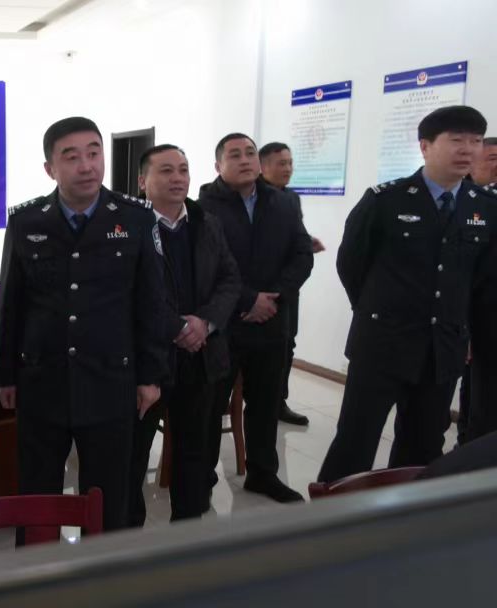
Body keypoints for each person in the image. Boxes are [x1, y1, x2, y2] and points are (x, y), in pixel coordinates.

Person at [0, 116, 169, 532]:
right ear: (50, 168)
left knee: (108, 495)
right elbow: (11, 304)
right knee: (37, 494)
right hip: (42, 379)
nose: (87, 165)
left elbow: (151, 302)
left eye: (94, 153)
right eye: (71, 157)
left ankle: (104, 568)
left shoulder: (136, 219)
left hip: (110, 379)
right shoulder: (26, 221)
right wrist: (6, 374)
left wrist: (150, 375)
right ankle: (39, 567)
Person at [319, 106, 497, 483]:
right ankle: (330, 513)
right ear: (425, 146)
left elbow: (482, 283)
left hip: (442, 348)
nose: (468, 149)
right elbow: (351, 264)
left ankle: (405, 514)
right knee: (355, 440)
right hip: (382, 343)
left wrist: (468, 333)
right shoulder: (386, 200)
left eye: (476, 141)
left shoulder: (485, 207)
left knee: (423, 444)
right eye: (456, 140)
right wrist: (375, 311)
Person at [197, 133, 314, 504]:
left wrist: (274, 296)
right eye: (235, 155)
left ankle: (263, 474)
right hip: (224, 324)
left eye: (250, 152)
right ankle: (201, 478)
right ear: (218, 165)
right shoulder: (203, 206)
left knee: (265, 404)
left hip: (272, 321)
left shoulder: (283, 202)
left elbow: (302, 254)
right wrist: (249, 299)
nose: (245, 159)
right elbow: (206, 266)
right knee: (211, 406)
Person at [129, 145, 240, 525]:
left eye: (183, 170)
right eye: (166, 171)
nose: (177, 178)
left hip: (201, 355)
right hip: (147, 361)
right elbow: (126, 294)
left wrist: (205, 322)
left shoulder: (207, 223)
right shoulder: (128, 226)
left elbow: (229, 279)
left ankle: (188, 534)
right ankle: (128, 538)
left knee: (195, 453)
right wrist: (176, 328)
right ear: (142, 181)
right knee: (133, 456)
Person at [258, 141, 328, 427]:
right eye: (281, 163)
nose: (287, 168)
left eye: (289, 163)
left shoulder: (291, 198)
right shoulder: (253, 196)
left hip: (286, 288)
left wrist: (305, 243)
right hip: (256, 289)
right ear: (263, 167)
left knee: (286, 344)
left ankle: (278, 402)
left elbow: (290, 235)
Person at [459, 137, 497, 444]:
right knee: (480, 399)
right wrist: (465, 327)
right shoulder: (463, 206)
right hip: (479, 319)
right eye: (493, 158)